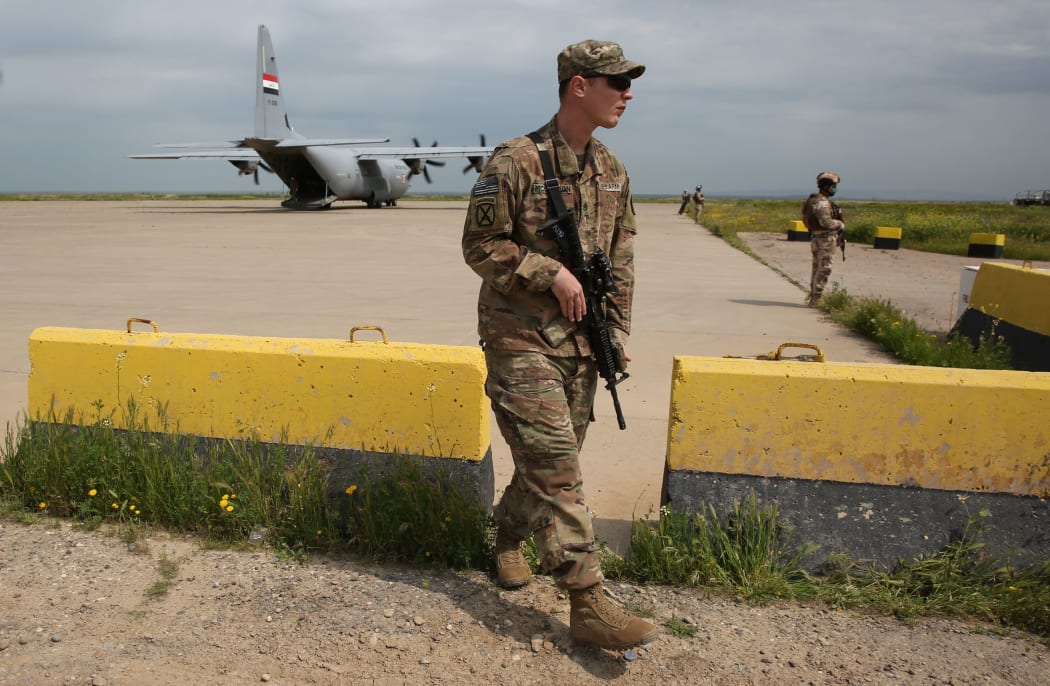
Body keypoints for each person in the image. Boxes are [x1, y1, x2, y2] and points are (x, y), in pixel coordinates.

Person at [462, 39, 658, 651]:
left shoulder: (614, 170)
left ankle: (507, 536)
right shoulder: (515, 161)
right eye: (616, 81)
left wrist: (616, 331)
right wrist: (550, 273)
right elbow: (479, 246)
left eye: (629, 81)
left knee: (548, 464)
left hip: (579, 344)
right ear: (579, 85)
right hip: (518, 337)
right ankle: (588, 600)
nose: (628, 92)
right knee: (560, 467)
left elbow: (621, 258)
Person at [801, 172, 844, 306]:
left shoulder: (812, 200)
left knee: (816, 268)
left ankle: (814, 296)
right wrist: (840, 224)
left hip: (816, 237)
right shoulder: (823, 202)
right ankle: (816, 299)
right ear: (826, 186)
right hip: (825, 239)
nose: (834, 188)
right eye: (833, 186)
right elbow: (826, 222)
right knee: (824, 268)